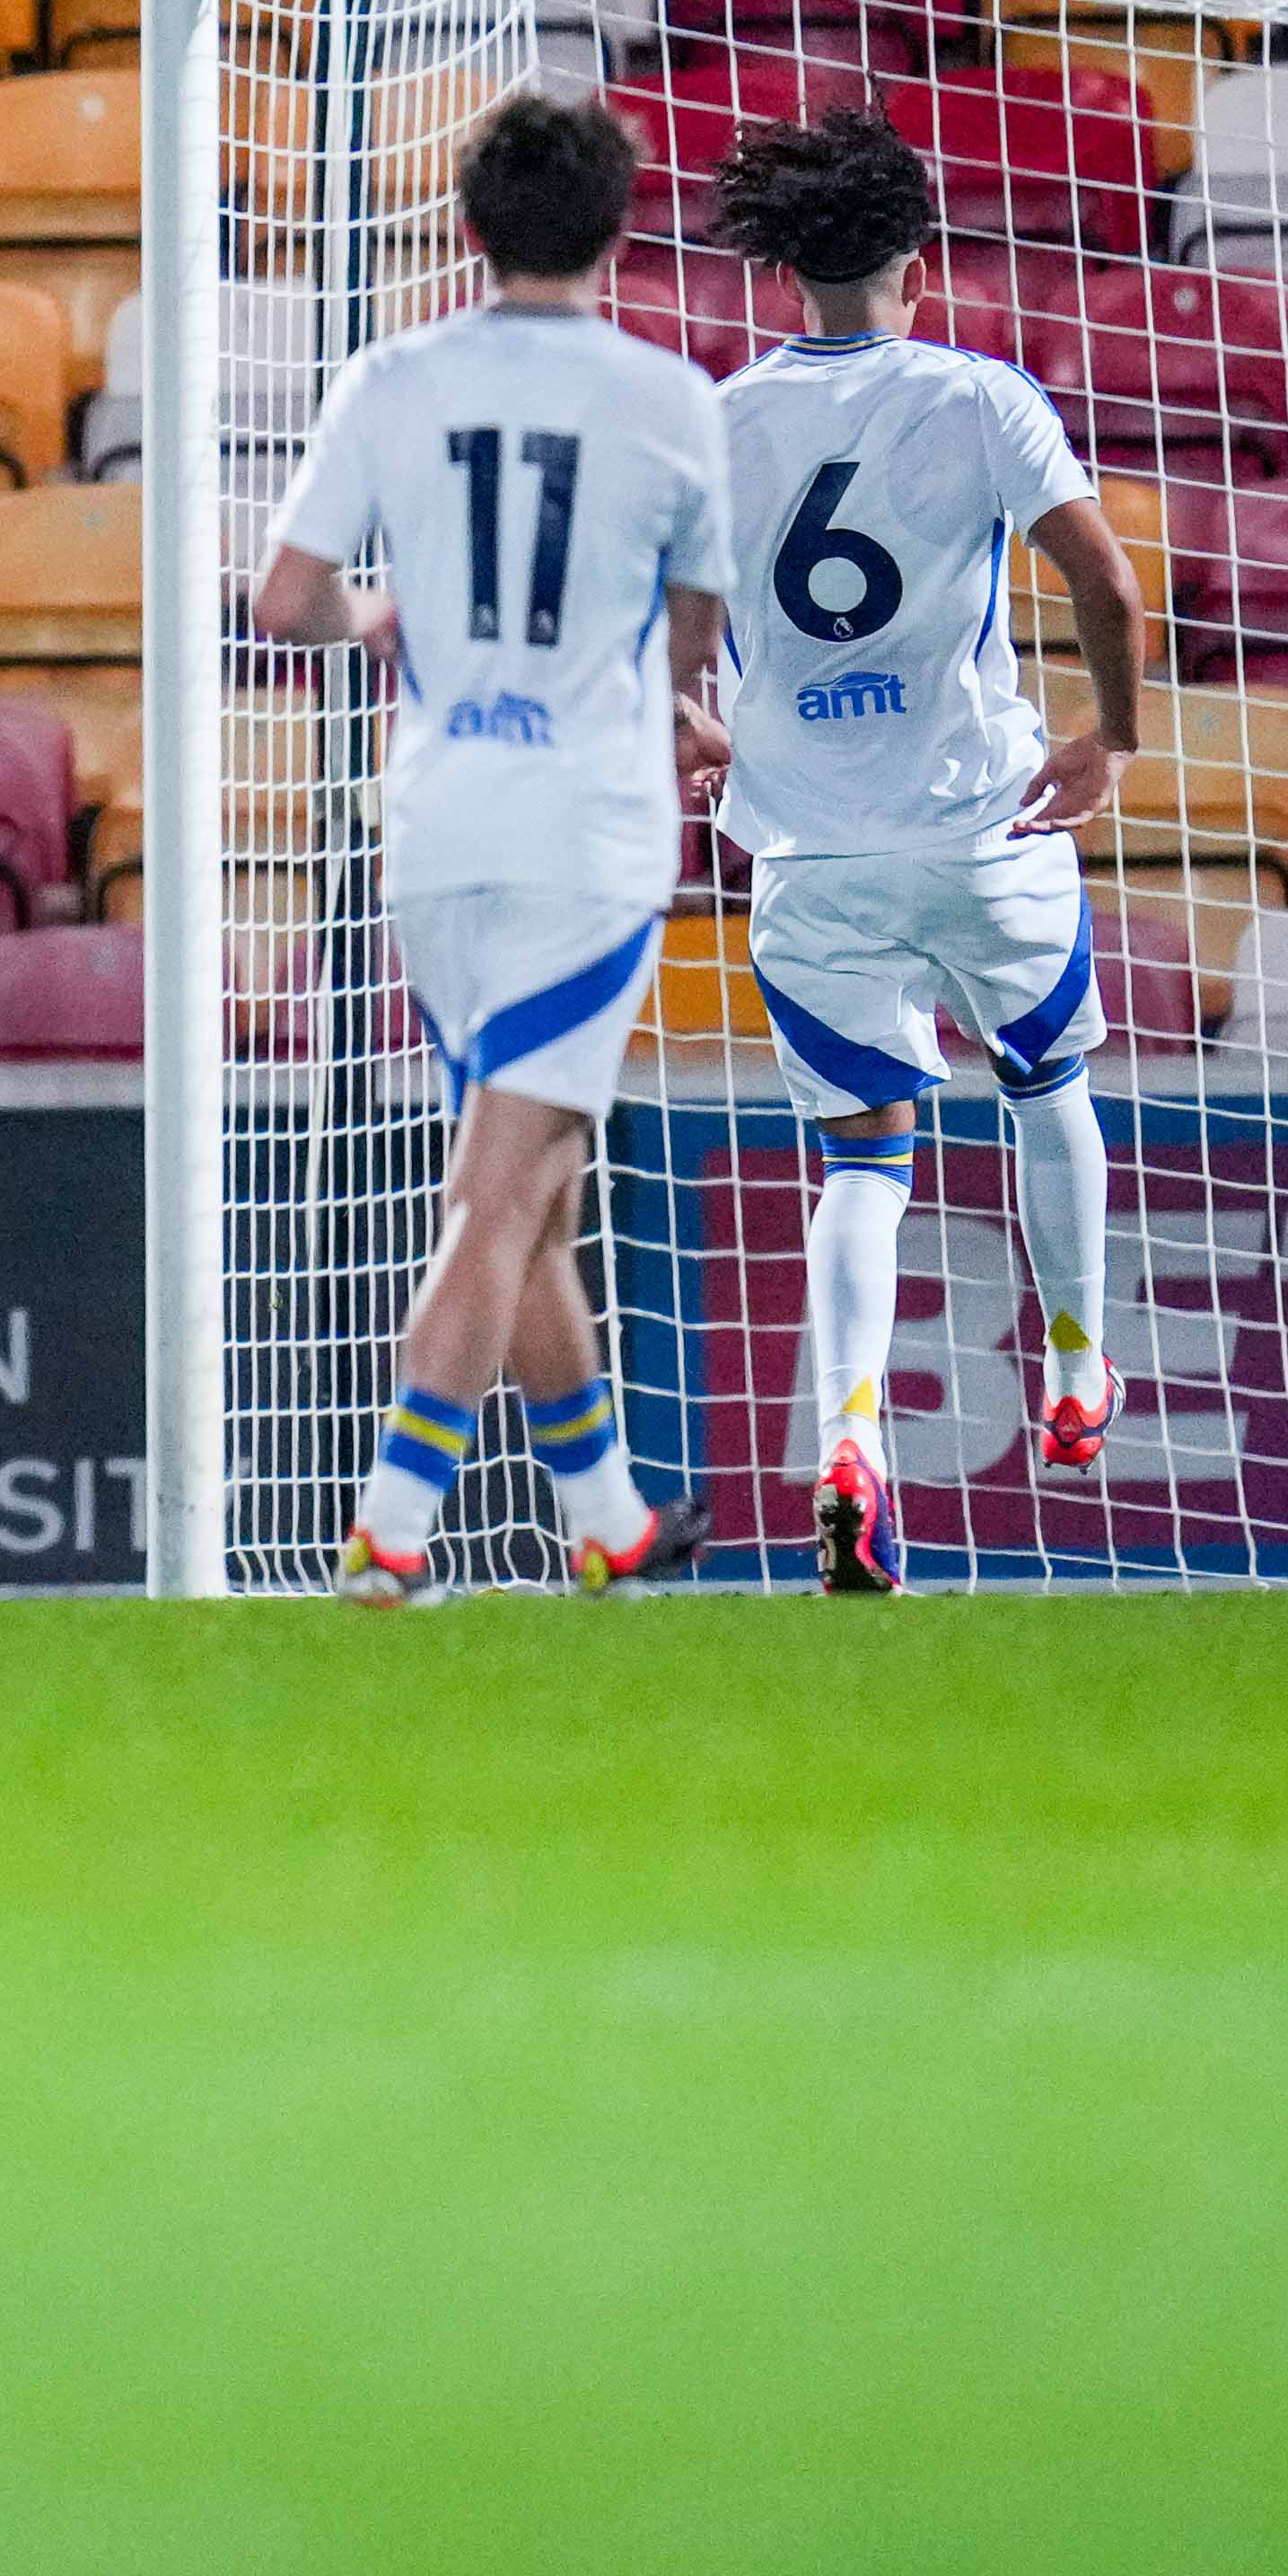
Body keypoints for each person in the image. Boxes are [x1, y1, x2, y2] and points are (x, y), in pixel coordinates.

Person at [250, 88, 732, 1605]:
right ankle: (391, 1533)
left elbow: (285, 600)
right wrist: (678, 712)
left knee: (543, 1184)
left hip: (440, 835)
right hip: (585, 844)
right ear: (621, 229)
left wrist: (378, 615)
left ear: (465, 230)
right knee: (501, 1193)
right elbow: (697, 620)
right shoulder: (671, 397)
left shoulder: (393, 377)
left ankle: (608, 1521)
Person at [695, 105, 1152, 1597]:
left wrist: (699, 729)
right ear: (920, 262)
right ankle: (1077, 1369)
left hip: (812, 855)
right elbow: (1107, 582)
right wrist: (1115, 739)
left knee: (863, 1164)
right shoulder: (982, 394)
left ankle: (850, 1448)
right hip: (986, 830)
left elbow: (688, 629)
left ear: (787, 278)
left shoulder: (726, 418)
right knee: (1048, 1081)